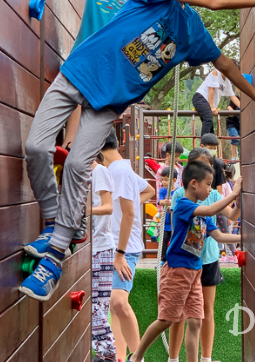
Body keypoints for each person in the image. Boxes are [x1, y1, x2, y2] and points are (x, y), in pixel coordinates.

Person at [19, 0, 255, 304]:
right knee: (36, 147)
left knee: (79, 164)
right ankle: (56, 223)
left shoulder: (192, 30)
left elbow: (226, 66)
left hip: (110, 101)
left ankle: (56, 255)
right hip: (79, 73)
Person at [54, 0, 255, 149]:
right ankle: (69, 145)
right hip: (88, 58)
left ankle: (74, 152)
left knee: (89, 129)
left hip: (115, 69)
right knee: (77, 104)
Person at [126, 162, 241, 362]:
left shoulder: (204, 215)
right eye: (208, 184)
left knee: (196, 321)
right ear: (194, 184)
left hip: (195, 273)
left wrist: (246, 237)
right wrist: (233, 194)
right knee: (166, 320)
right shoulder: (183, 206)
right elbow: (209, 210)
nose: (210, 189)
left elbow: (220, 237)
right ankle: (136, 356)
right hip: (177, 272)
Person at [166, 149, 241, 362]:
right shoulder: (181, 197)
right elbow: (179, 226)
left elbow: (229, 219)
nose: (205, 182)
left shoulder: (214, 195)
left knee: (204, 312)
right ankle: (173, 357)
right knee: (178, 313)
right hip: (183, 262)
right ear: (191, 180)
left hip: (206, 259)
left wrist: (238, 199)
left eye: (208, 175)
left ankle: (205, 358)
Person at [96, 130, 155, 361]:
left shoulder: (119, 171)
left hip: (124, 248)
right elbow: (148, 190)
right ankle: (120, 357)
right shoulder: (119, 168)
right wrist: (125, 205)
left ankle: (137, 356)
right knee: (114, 306)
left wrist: (120, 254)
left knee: (118, 302)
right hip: (116, 246)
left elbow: (129, 215)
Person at [90, 153, 117, 362]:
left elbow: (108, 207)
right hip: (95, 247)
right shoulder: (87, 175)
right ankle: (104, 353)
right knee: (97, 305)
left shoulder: (99, 171)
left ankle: (107, 353)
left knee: (98, 306)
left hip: (100, 247)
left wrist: (85, 210)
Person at [192, 63, 238, 136]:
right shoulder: (216, 73)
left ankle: (210, 145)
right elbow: (211, 89)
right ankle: (204, 144)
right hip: (200, 97)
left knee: (210, 128)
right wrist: (212, 106)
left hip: (207, 103)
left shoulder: (227, 82)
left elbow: (233, 96)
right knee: (208, 119)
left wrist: (243, 108)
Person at [158, 168, 177, 262]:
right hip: (166, 222)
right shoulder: (163, 191)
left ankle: (173, 258)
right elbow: (159, 201)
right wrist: (164, 202)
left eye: (166, 179)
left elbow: (178, 203)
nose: (163, 182)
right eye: (162, 179)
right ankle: (163, 259)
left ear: (174, 180)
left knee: (174, 241)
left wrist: (172, 203)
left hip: (174, 223)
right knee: (164, 241)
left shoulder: (177, 192)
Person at [226, 94, 241, 161]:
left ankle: (241, 155)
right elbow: (230, 114)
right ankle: (234, 156)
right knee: (234, 137)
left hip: (239, 124)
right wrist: (231, 110)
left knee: (244, 138)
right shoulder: (231, 106)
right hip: (231, 124)